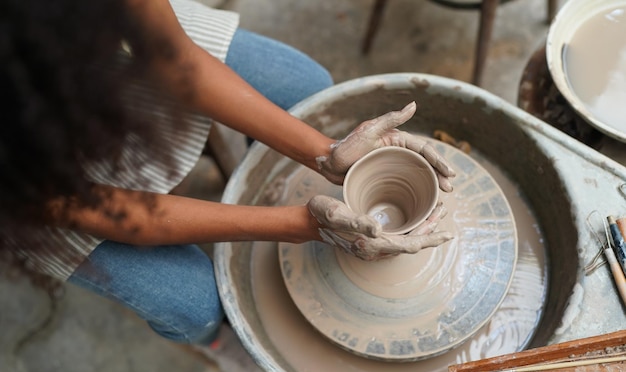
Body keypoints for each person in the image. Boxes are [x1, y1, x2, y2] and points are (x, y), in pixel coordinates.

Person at [0, 0, 456, 352]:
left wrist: (326, 154)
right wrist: (304, 226)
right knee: (195, 304)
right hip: (29, 175)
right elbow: (114, 212)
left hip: (105, 55)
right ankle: (215, 342)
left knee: (306, 87)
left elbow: (175, 60)